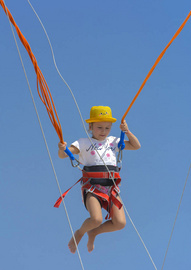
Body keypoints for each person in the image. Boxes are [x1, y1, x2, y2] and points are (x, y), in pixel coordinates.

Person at [58, 106, 141, 253]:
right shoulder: (83, 143)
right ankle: (80, 233)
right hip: (92, 187)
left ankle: (94, 232)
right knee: (96, 219)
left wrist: (126, 131)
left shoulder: (113, 141)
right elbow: (63, 155)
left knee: (120, 223)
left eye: (107, 128)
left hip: (111, 188)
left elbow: (136, 146)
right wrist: (62, 148)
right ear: (90, 126)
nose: (103, 131)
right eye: (99, 127)